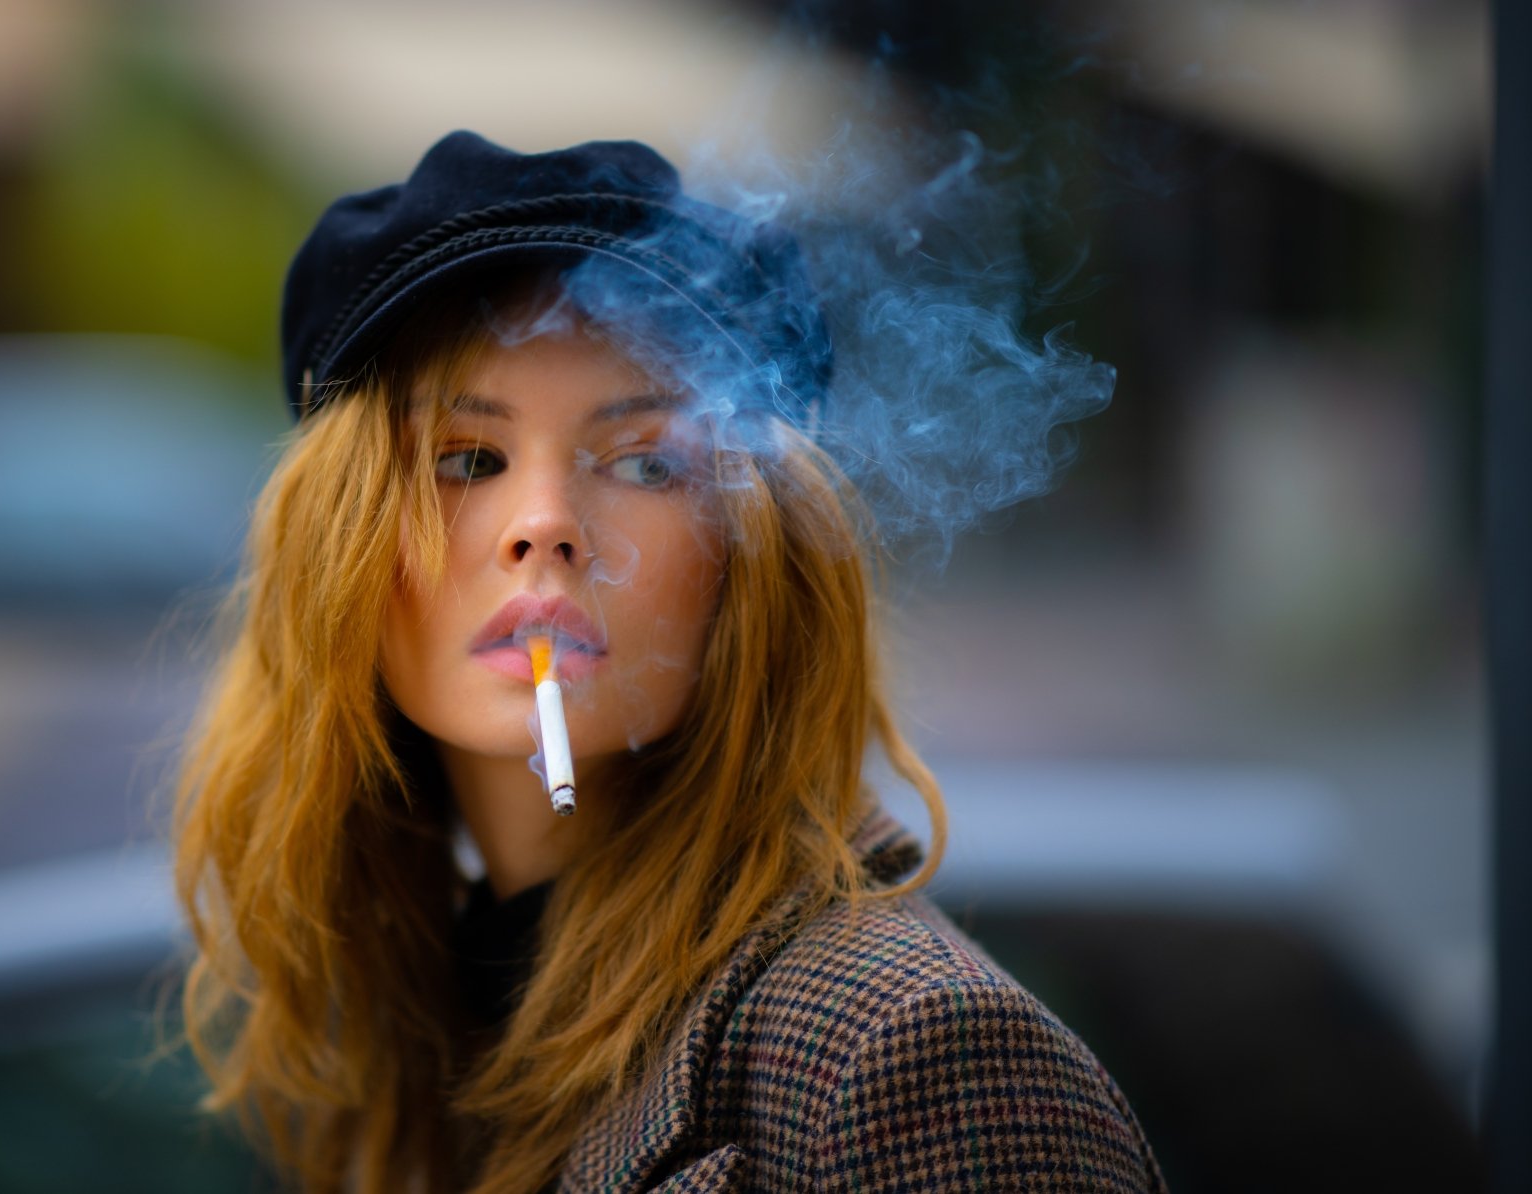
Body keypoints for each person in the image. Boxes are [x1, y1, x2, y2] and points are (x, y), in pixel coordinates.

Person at [170, 131, 1167, 1193]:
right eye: (467, 460)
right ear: (339, 550)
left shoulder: (904, 1054)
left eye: (645, 461)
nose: (543, 528)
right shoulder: (403, 1035)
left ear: (749, 560)